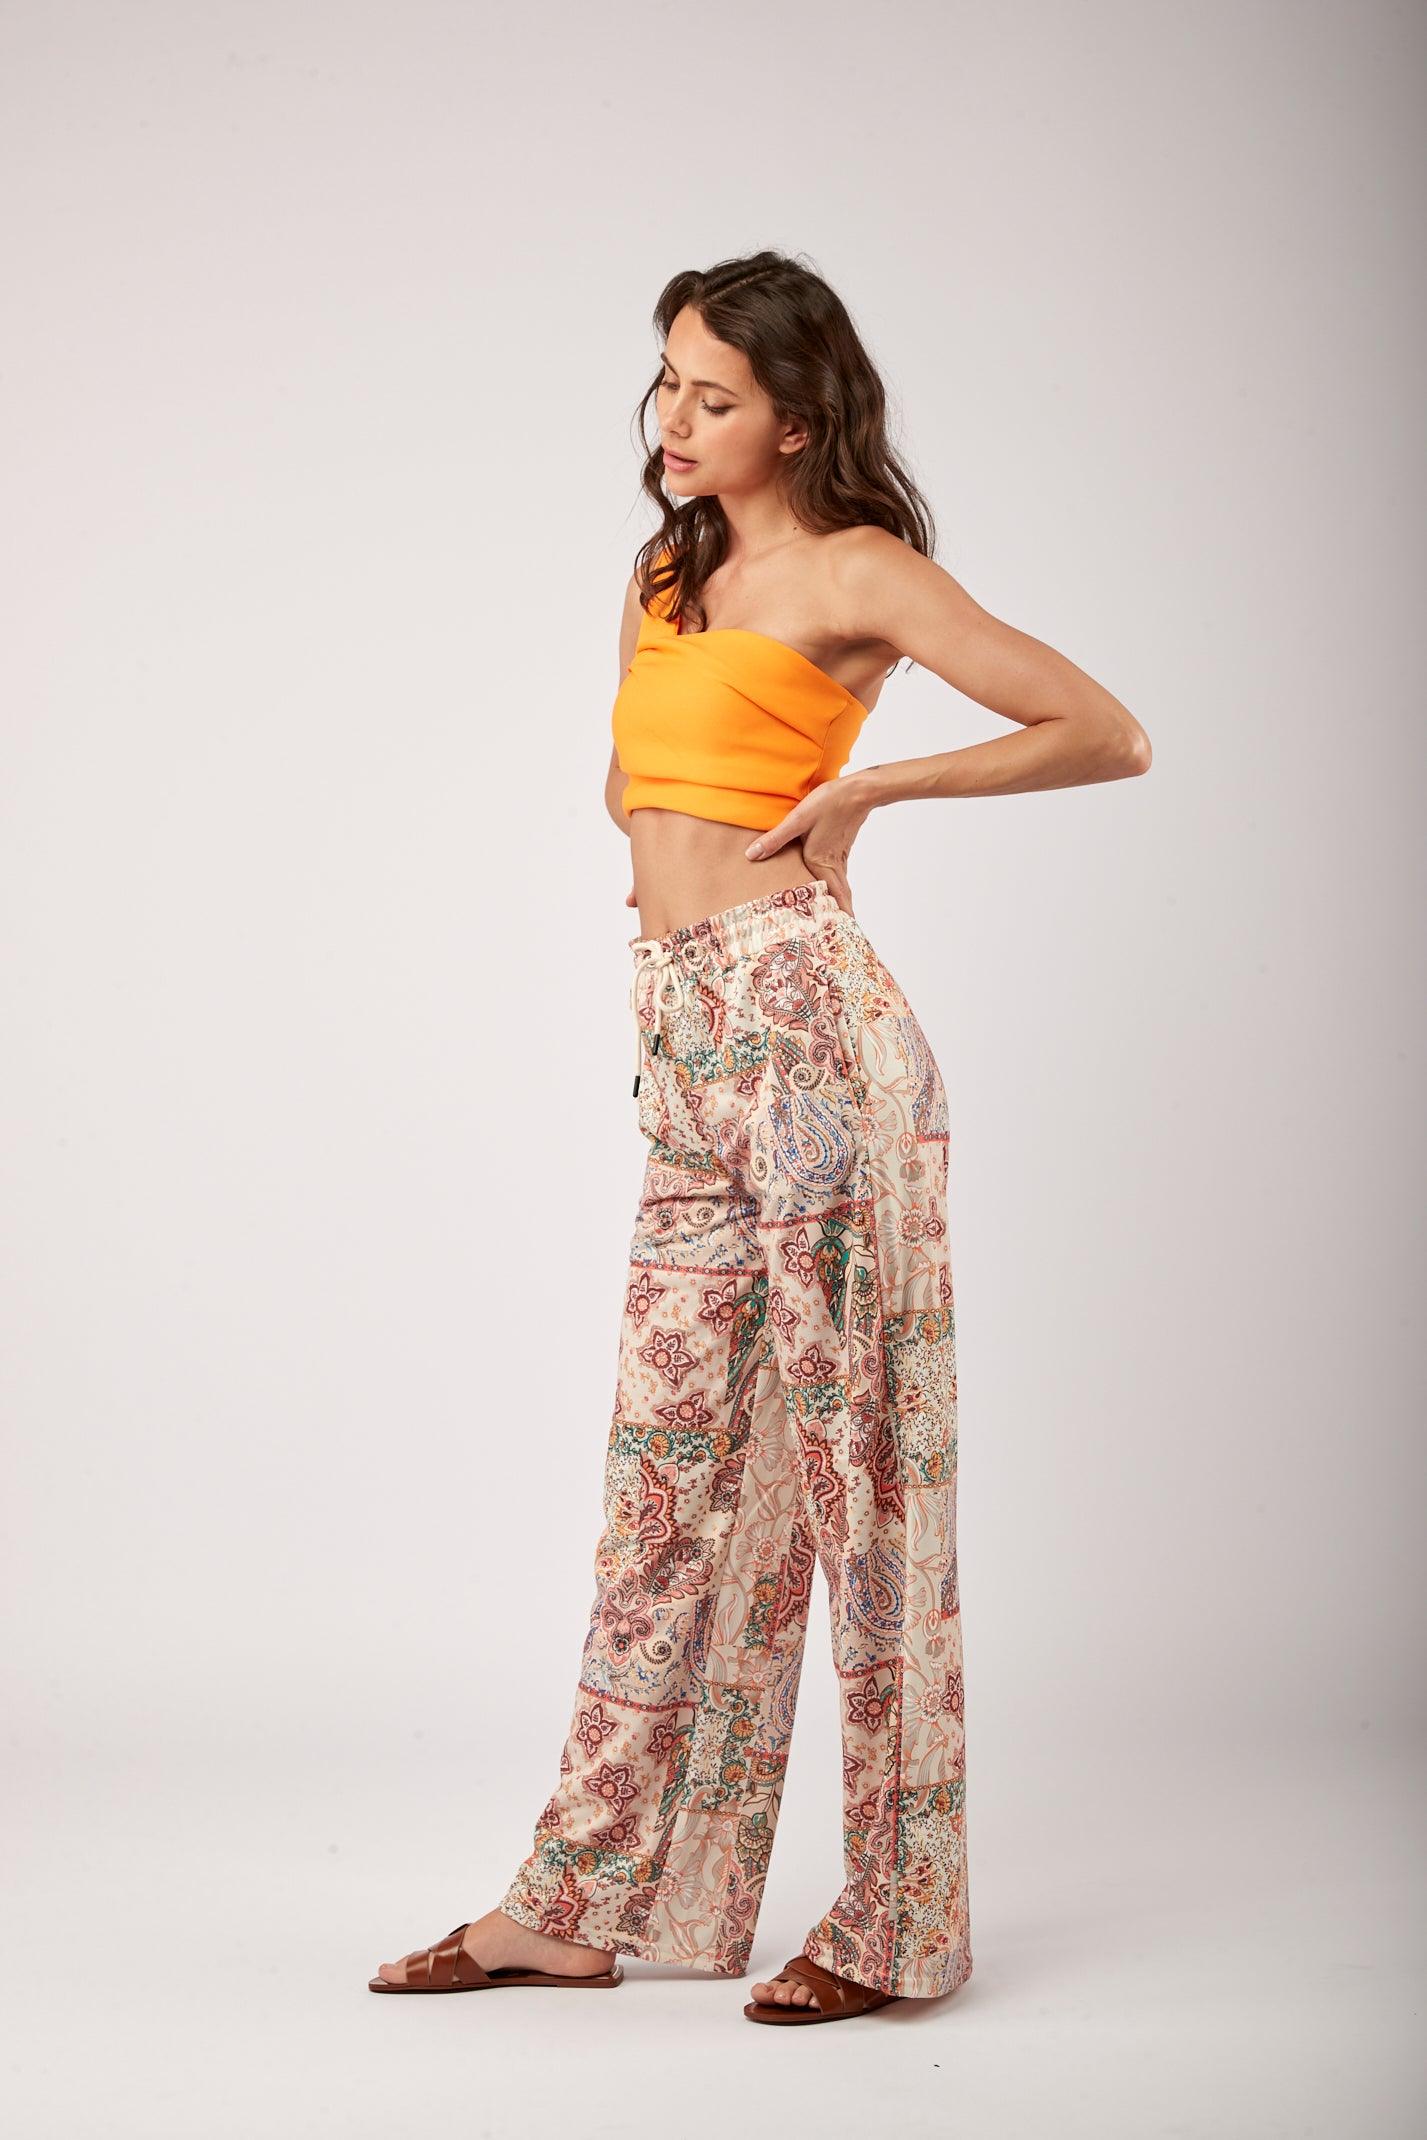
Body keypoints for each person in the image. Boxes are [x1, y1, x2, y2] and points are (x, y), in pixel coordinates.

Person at [369, 248, 1151, 2026]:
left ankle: (899, 1924)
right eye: (667, 382)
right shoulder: (666, 573)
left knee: (865, 1481)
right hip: (683, 1034)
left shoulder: (860, 571)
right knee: (665, 1484)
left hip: (811, 1033)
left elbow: (1102, 731)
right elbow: (637, 790)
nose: (674, 417)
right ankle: (579, 1902)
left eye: (714, 395)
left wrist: (869, 785)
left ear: (797, 418)